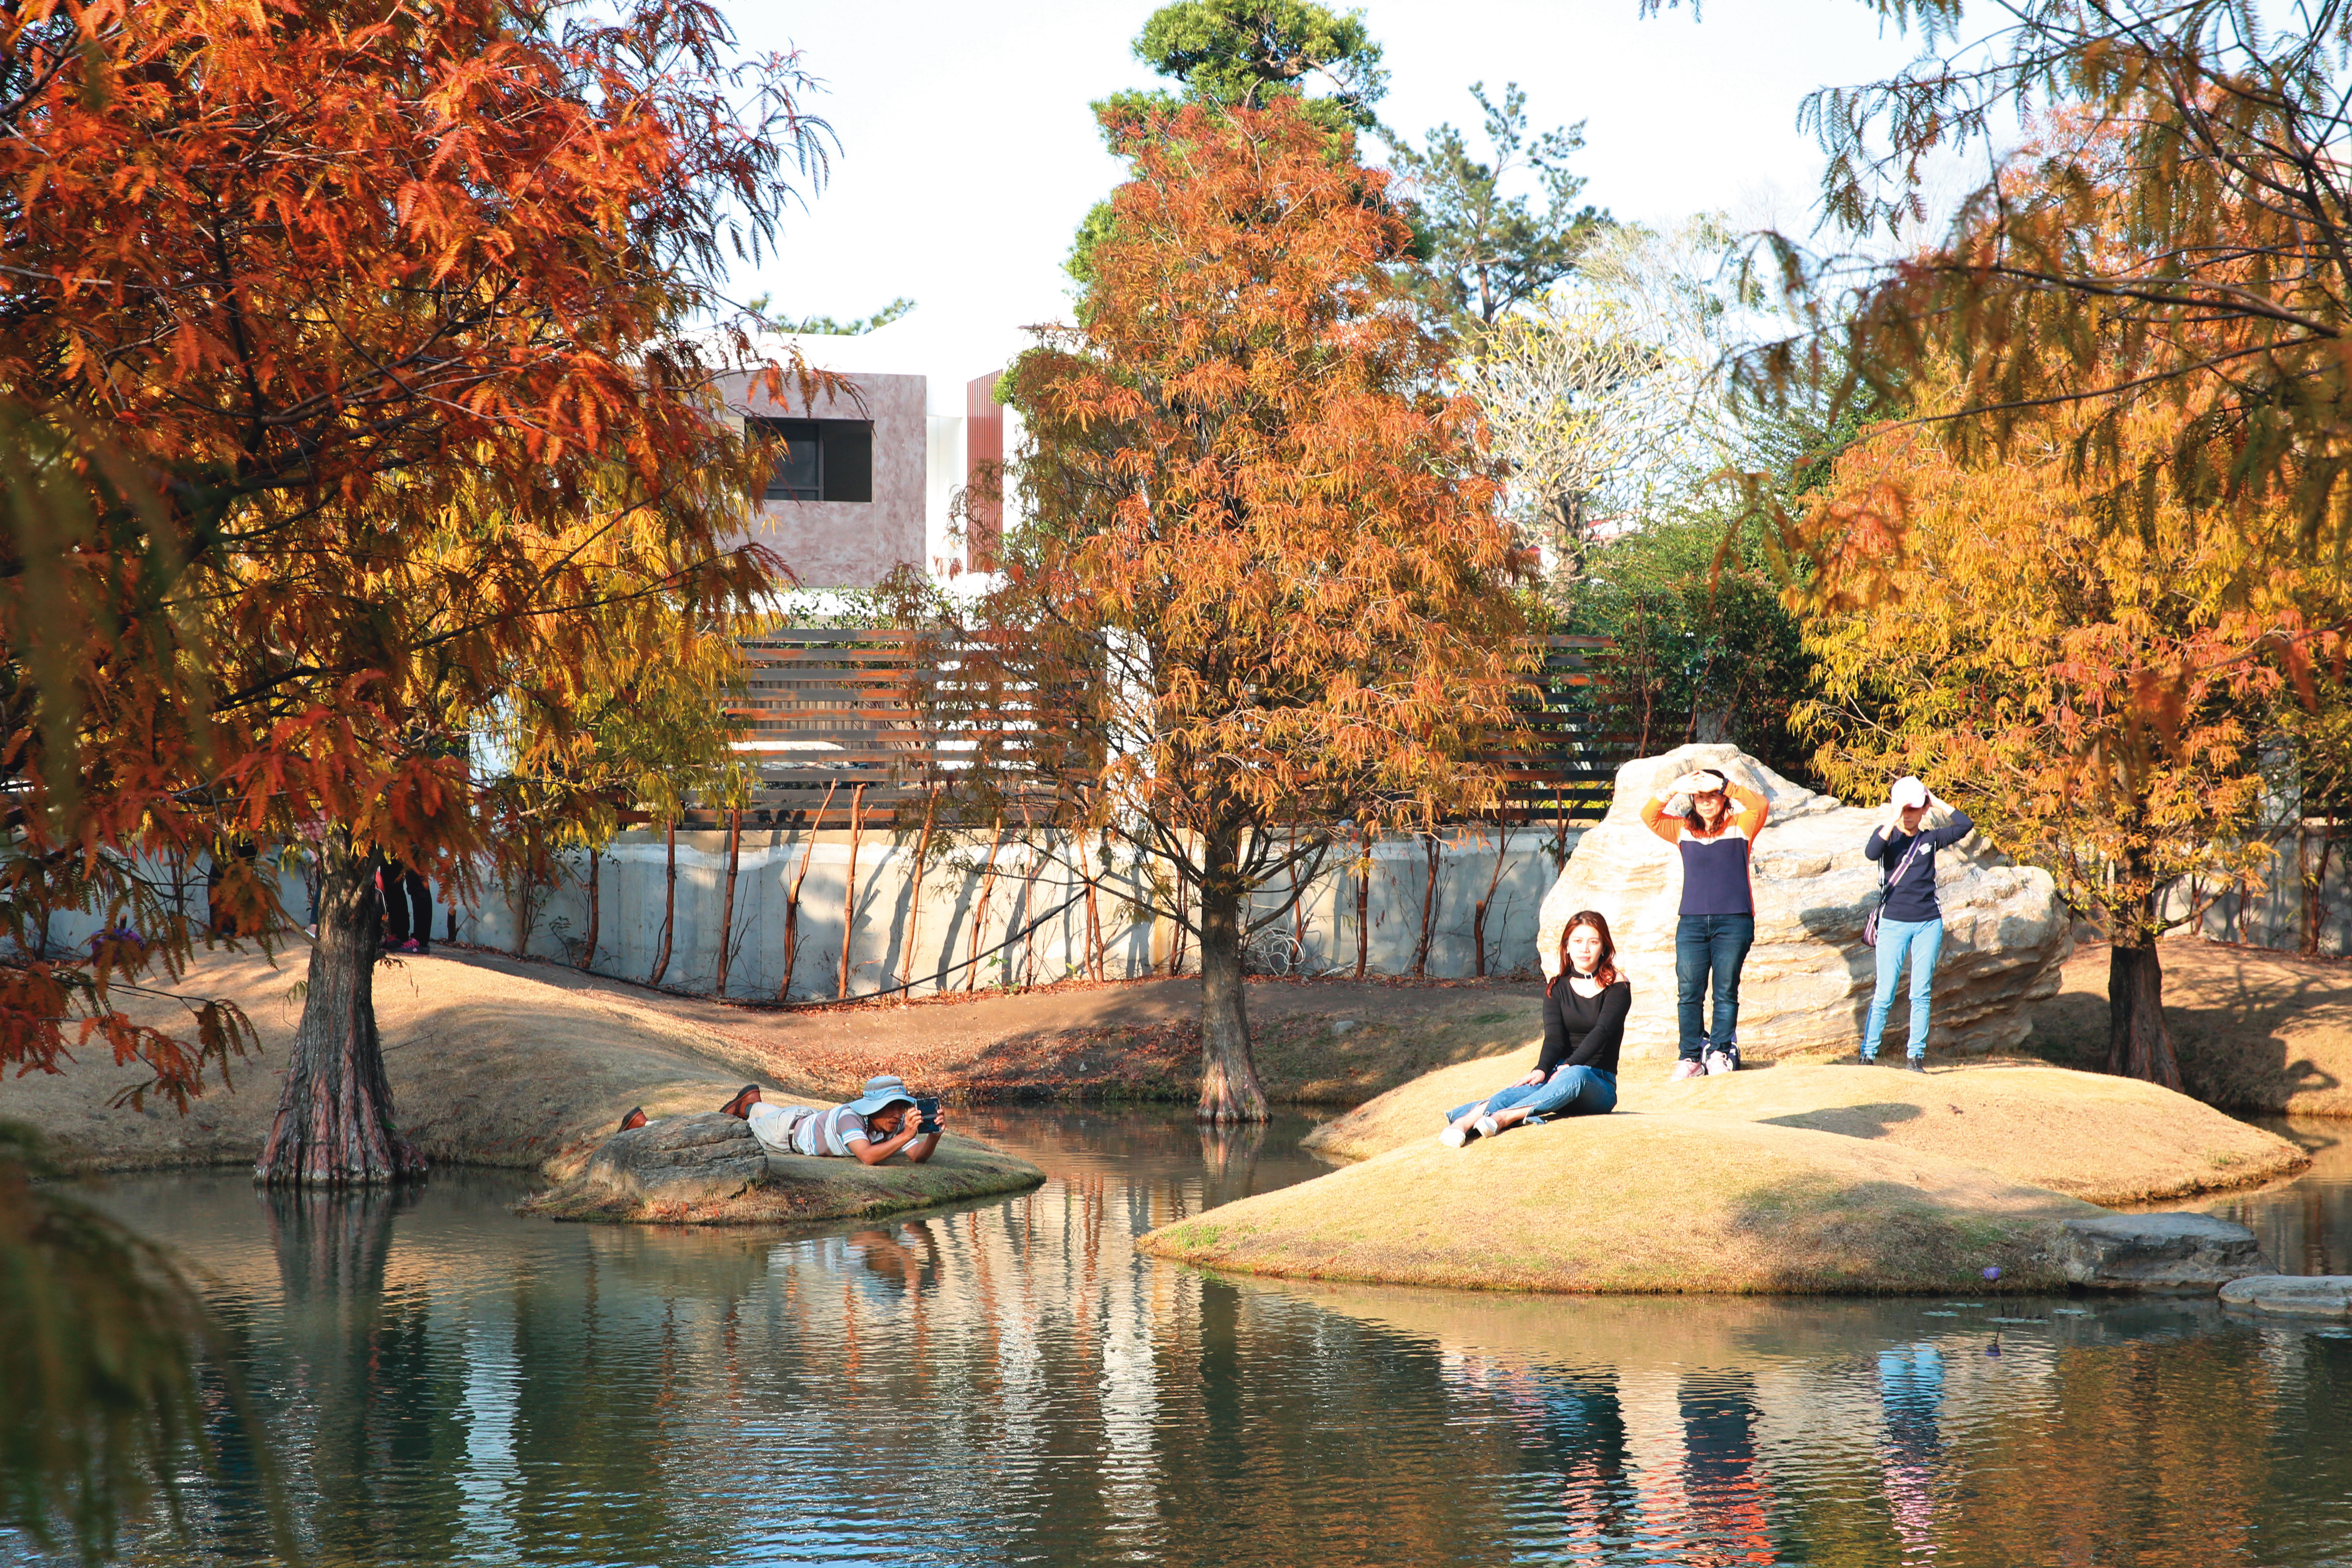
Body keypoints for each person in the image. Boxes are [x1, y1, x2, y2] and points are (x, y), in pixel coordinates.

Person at [1439, 910, 1628, 1146]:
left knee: (1575, 1075)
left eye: (1593, 942)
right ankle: (1463, 1123)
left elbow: (1603, 1032)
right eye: (1578, 941)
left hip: (1598, 1083)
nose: (1585, 949)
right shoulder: (1557, 988)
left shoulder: (1618, 986)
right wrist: (1542, 1069)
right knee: (1533, 1085)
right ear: (1567, 947)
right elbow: (1555, 1040)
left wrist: (1569, 1066)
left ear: (1604, 947)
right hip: (1558, 1074)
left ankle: (1504, 1117)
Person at [1640, 766, 1770, 1078]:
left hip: (1734, 921)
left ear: (1723, 799)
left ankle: (1720, 1052)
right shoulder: (1683, 829)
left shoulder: (1742, 825)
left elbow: (1761, 805)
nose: (1706, 801)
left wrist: (1725, 785)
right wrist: (1673, 788)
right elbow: (1650, 816)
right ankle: (1690, 1058)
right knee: (1689, 992)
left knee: (1725, 991)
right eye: (1700, 796)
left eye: (1713, 796)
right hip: (1692, 923)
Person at [1860, 776, 1975, 1069]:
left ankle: (1916, 1057)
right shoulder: (1887, 836)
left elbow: (1965, 826)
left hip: (1928, 923)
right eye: (1905, 809)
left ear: (1923, 809)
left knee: (1920, 992)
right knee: (1884, 992)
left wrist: (1934, 801)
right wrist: (1894, 817)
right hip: (1894, 922)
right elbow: (1871, 852)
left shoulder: (1929, 839)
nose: (1909, 815)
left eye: (1915, 808)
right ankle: (1868, 1054)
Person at [719, 1075, 944, 1166]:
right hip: (785, 1133)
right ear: (873, 1108)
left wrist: (934, 1136)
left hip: (808, 1118)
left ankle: (751, 1103)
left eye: (901, 1108)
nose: (898, 1114)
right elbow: (867, 1157)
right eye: (891, 1108)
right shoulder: (850, 1118)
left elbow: (917, 1156)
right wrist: (906, 1135)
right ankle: (745, 1107)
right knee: (736, 1129)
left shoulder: (894, 1124)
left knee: (771, 1113)